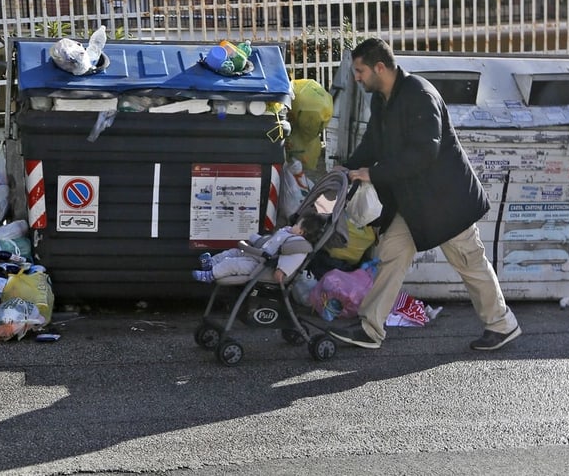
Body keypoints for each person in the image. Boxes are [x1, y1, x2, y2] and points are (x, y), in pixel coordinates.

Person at [328, 37, 521, 351]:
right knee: (391, 254)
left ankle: (502, 324)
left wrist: (372, 173)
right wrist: (346, 170)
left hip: (447, 201)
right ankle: (370, 328)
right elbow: (373, 144)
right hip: (415, 201)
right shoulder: (381, 100)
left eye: (360, 70)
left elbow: (424, 153)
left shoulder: (420, 94)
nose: (356, 77)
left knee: (469, 263)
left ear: (380, 67)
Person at [192, 212, 330, 284]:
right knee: (233, 252)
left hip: (262, 265)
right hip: (258, 255)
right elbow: (270, 242)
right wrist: (254, 238)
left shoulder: (298, 245)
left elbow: (292, 259)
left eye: (297, 224)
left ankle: (211, 275)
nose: (293, 225)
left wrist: (282, 270)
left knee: (232, 263)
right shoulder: (287, 233)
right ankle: (212, 264)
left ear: (301, 232)